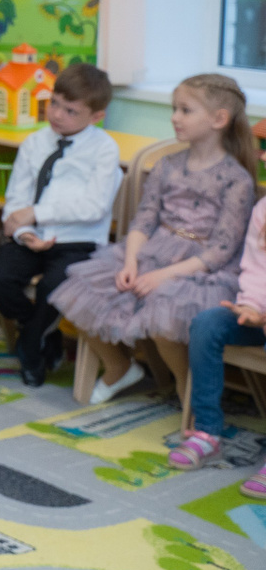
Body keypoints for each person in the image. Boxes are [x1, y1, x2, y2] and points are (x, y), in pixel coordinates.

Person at [51, 74, 257, 403]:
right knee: (84, 292)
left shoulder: (237, 179)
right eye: (174, 109)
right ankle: (119, 367)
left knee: (166, 319)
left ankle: (186, 387)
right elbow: (144, 220)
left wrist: (163, 276)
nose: (175, 117)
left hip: (200, 268)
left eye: (185, 110)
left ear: (219, 119)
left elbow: (221, 250)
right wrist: (130, 261)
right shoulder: (166, 165)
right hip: (153, 250)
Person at [0, 63, 122, 387]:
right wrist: (25, 232)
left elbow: (94, 207)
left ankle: (30, 347)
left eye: (70, 111)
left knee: (53, 288)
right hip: (33, 237)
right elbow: (15, 200)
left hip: (78, 242)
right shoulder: (34, 142)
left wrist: (37, 214)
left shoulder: (104, 149)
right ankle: (41, 332)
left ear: (96, 116)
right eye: (54, 103)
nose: (57, 114)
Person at [168, 194, 266, 498]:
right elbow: (256, 270)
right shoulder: (264, 209)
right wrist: (250, 308)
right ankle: (207, 432)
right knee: (206, 325)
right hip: (259, 316)